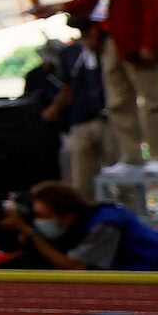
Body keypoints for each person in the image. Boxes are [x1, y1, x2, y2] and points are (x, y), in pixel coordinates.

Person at [59, 0, 158, 177]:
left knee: (152, 100)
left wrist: (149, 43)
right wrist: (59, 7)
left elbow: (152, 8)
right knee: (118, 102)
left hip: (136, 44)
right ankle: (131, 156)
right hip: (112, 43)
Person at [0, 179, 158, 271]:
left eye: (43, 216)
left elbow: (74, 266)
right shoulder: (77, 225)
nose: (39, 221)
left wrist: (31, 233)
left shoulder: (106, 222)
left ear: (68, 216)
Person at [47, 23, 113, 198]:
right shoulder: (70, 54)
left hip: (108, 118)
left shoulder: (109, 50)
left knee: (117, 177)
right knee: (82, 182)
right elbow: (68, 86)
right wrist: (56, 107)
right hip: (80, 120)